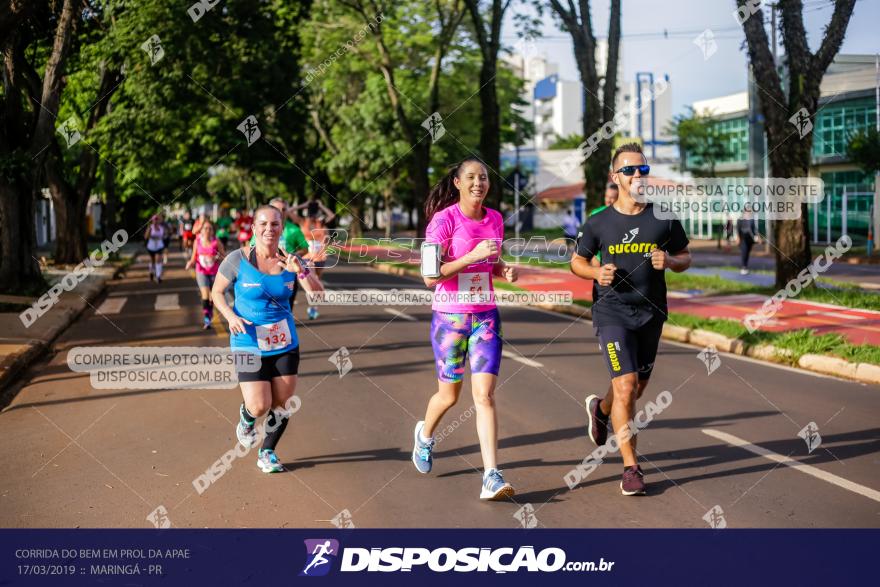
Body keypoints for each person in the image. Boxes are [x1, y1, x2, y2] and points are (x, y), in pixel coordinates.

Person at [570, 143, 691, 496]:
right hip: (612, 313)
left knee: (636, 387)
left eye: (642, 169)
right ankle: (631, 467)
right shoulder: (598, 223)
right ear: (615, 177)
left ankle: (600, 409)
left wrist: (669, 261)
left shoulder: (663, 218)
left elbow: (685, 256)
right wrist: (595, 274)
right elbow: (577, 261)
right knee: (626, 388)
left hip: (651, 313)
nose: (637, 175)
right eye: (629, 170)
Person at [411, 157, 519, 501]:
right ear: (457, 183)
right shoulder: (442, 221)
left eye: (483, 178)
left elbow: (491, 263)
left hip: (486, 316)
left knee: (484, 396)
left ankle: (491, 475)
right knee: (449, 396)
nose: (478, 183)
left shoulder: (496, 219)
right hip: (450, 318)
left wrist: (504, 271)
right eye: (471, 177)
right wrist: (471, 256)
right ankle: (425, 436)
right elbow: (430, 276)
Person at [212, 205, 305, 473]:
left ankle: (267, 452)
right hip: (247, 341)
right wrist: (230, 316)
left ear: (281, 228)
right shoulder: (237, 259)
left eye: (275, 224)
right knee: (259, 404)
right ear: (253, 228)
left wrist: (302, 272)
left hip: (284, 342)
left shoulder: (291, 260)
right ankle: (247, 418)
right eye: (263, 224)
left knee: (283, 403)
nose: (269, 229)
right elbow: (218, 292)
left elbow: (316, 291)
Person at [300, 200, 336, 320]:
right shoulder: (303, 222)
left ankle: (313, 307)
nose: (314, 215)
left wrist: (321, 205)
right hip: (307, 258)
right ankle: (312, 306)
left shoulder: (321, 223)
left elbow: (332, 215)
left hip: (320, 257)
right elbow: (288, 211)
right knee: (311, 281)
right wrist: (304, 205)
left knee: (316, 283)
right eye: (313, 212)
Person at [186, 220, 226, 329]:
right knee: (204, 293)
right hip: (201, 271)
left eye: (210, 228)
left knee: (212, 296)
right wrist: (190, 263)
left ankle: (210, 313)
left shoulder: (216, 241)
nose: (208, 230)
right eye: (205, 228)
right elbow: (194, 257)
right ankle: (207, 317)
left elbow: (223, 255)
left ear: (213, 231)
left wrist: (217, 257)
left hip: (214, 272)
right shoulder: (197, 241)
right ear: (201, 230)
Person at [144, 215, 167, 283]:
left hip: (159, 246)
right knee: (152, 261)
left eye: (157, 219)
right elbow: (146, 237)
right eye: (154, 219)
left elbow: (164, 235)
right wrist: (149, 231)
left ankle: (158, 276)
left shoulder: (161, 228)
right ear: (152, 220)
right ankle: (151, 272)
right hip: (151, 246)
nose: (156, 221)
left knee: (158, 260)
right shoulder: (150, 227)